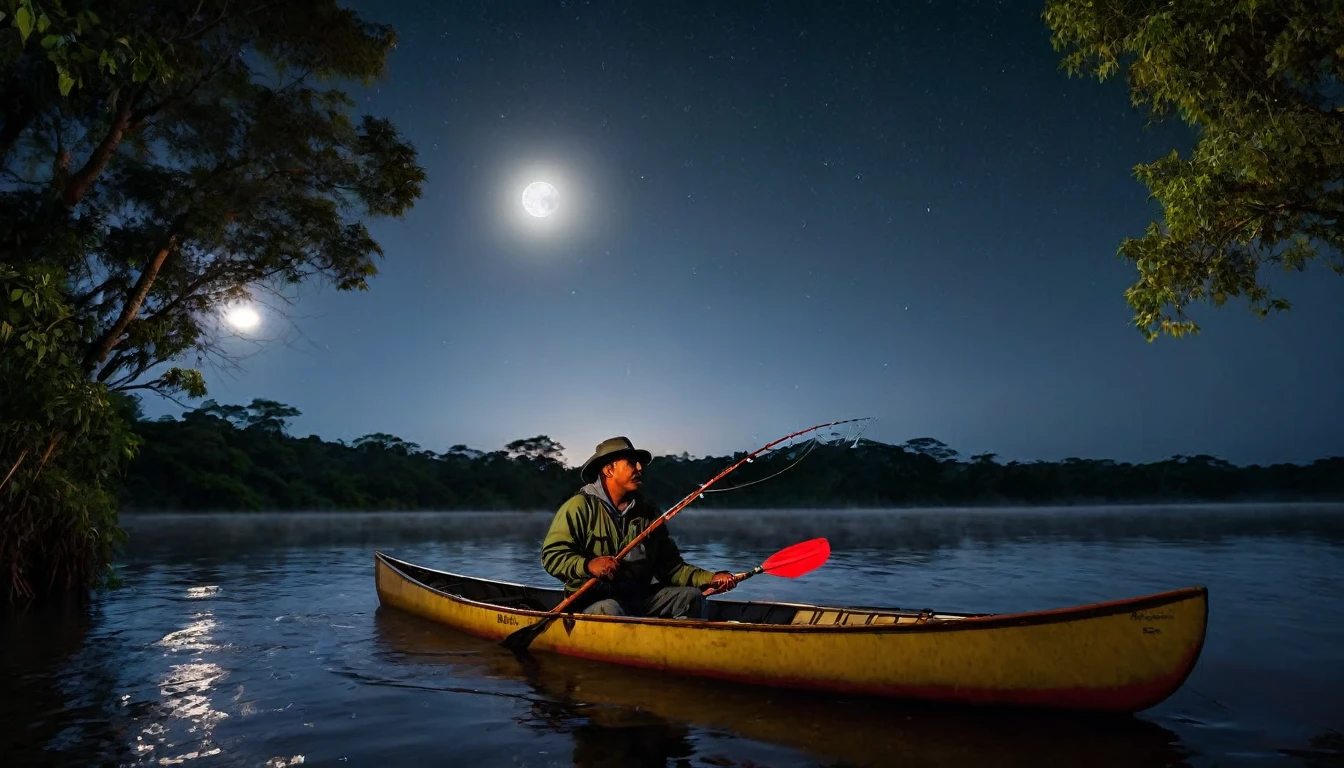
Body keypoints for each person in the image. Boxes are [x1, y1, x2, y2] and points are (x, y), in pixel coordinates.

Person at [540, 436, 738, 617]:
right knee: (610, 609)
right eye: (631, 463)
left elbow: (672, 568)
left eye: (639, 463)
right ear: (609, 470)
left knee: (691, 597)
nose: (640, 468)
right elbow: (552, 557)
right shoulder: (579, 507)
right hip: (593, 603)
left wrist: (711, 578)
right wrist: (589, 565)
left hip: (639, 600)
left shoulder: (648, 512)